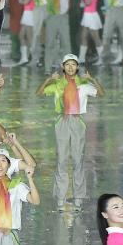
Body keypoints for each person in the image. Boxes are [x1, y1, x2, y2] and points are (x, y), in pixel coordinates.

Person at [36, 54, 105, 210]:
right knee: (61, 159)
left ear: (77, 67)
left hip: (77, 122)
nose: (70, 67)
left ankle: (79, 198)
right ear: (63, 67)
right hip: (62, 121)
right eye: (67, 64)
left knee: (77, 160)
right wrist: (48, 80)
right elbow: (39, 93)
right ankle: (61, 198)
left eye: (73, 64)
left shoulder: (84, 84)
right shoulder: (58, 84)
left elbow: (100, 94)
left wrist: (93, 80)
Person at [42, 0, 73, 72]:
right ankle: (47, 68)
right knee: (50, 43)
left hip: (63, 18)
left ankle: (69, 68)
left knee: (66, 43)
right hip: (51, 18)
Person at [78, 0, 104, 64]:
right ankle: (81, 58)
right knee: (83, 36)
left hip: (91, 15)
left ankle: (102, 58)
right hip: (87, 15)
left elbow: (87, 2)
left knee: (96, 37)